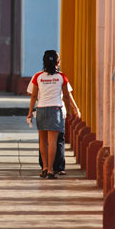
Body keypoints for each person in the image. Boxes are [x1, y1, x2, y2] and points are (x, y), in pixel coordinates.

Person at [26, 50, 79, 179]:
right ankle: (50, 170)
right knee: (53, 141)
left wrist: (29, 113)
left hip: (41, 109)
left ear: (43, 62)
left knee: (43, 141)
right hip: (55, 110)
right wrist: (71, 111)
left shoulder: (38, 76)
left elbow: (33, 96)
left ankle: (44, 167)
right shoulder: (61, 77)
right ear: (58, 62)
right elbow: (66, 96)